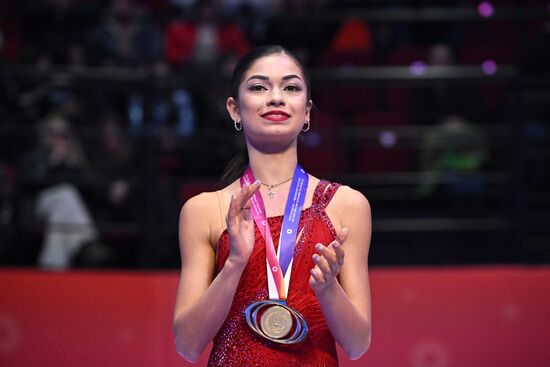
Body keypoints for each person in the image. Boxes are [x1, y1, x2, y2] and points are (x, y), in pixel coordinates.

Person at [173, 45, 372, 366]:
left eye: (291, 87)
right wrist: (234, 263)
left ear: (307, 111)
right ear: (234, 109)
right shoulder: (204, 211)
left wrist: (328, 289)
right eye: (259, 87)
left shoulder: (347, 205)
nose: (276, 97)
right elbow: (187, 344)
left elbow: (358, 344)